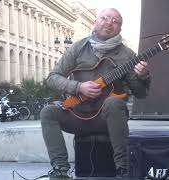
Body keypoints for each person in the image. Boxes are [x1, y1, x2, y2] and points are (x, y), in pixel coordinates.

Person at [41, 8, 151, 178]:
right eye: (105, 18)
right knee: (48, 112)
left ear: (119, 29)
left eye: (115, 21)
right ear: (95, 22)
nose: (109, 22)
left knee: (113, 102)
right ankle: (60, 169)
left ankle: (123, 169)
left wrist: (143, 76)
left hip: (106, 119)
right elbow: (52, 77)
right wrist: (78, 87)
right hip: (76, 116)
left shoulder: (128, 55)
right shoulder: (78, 47)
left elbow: (141, 93)